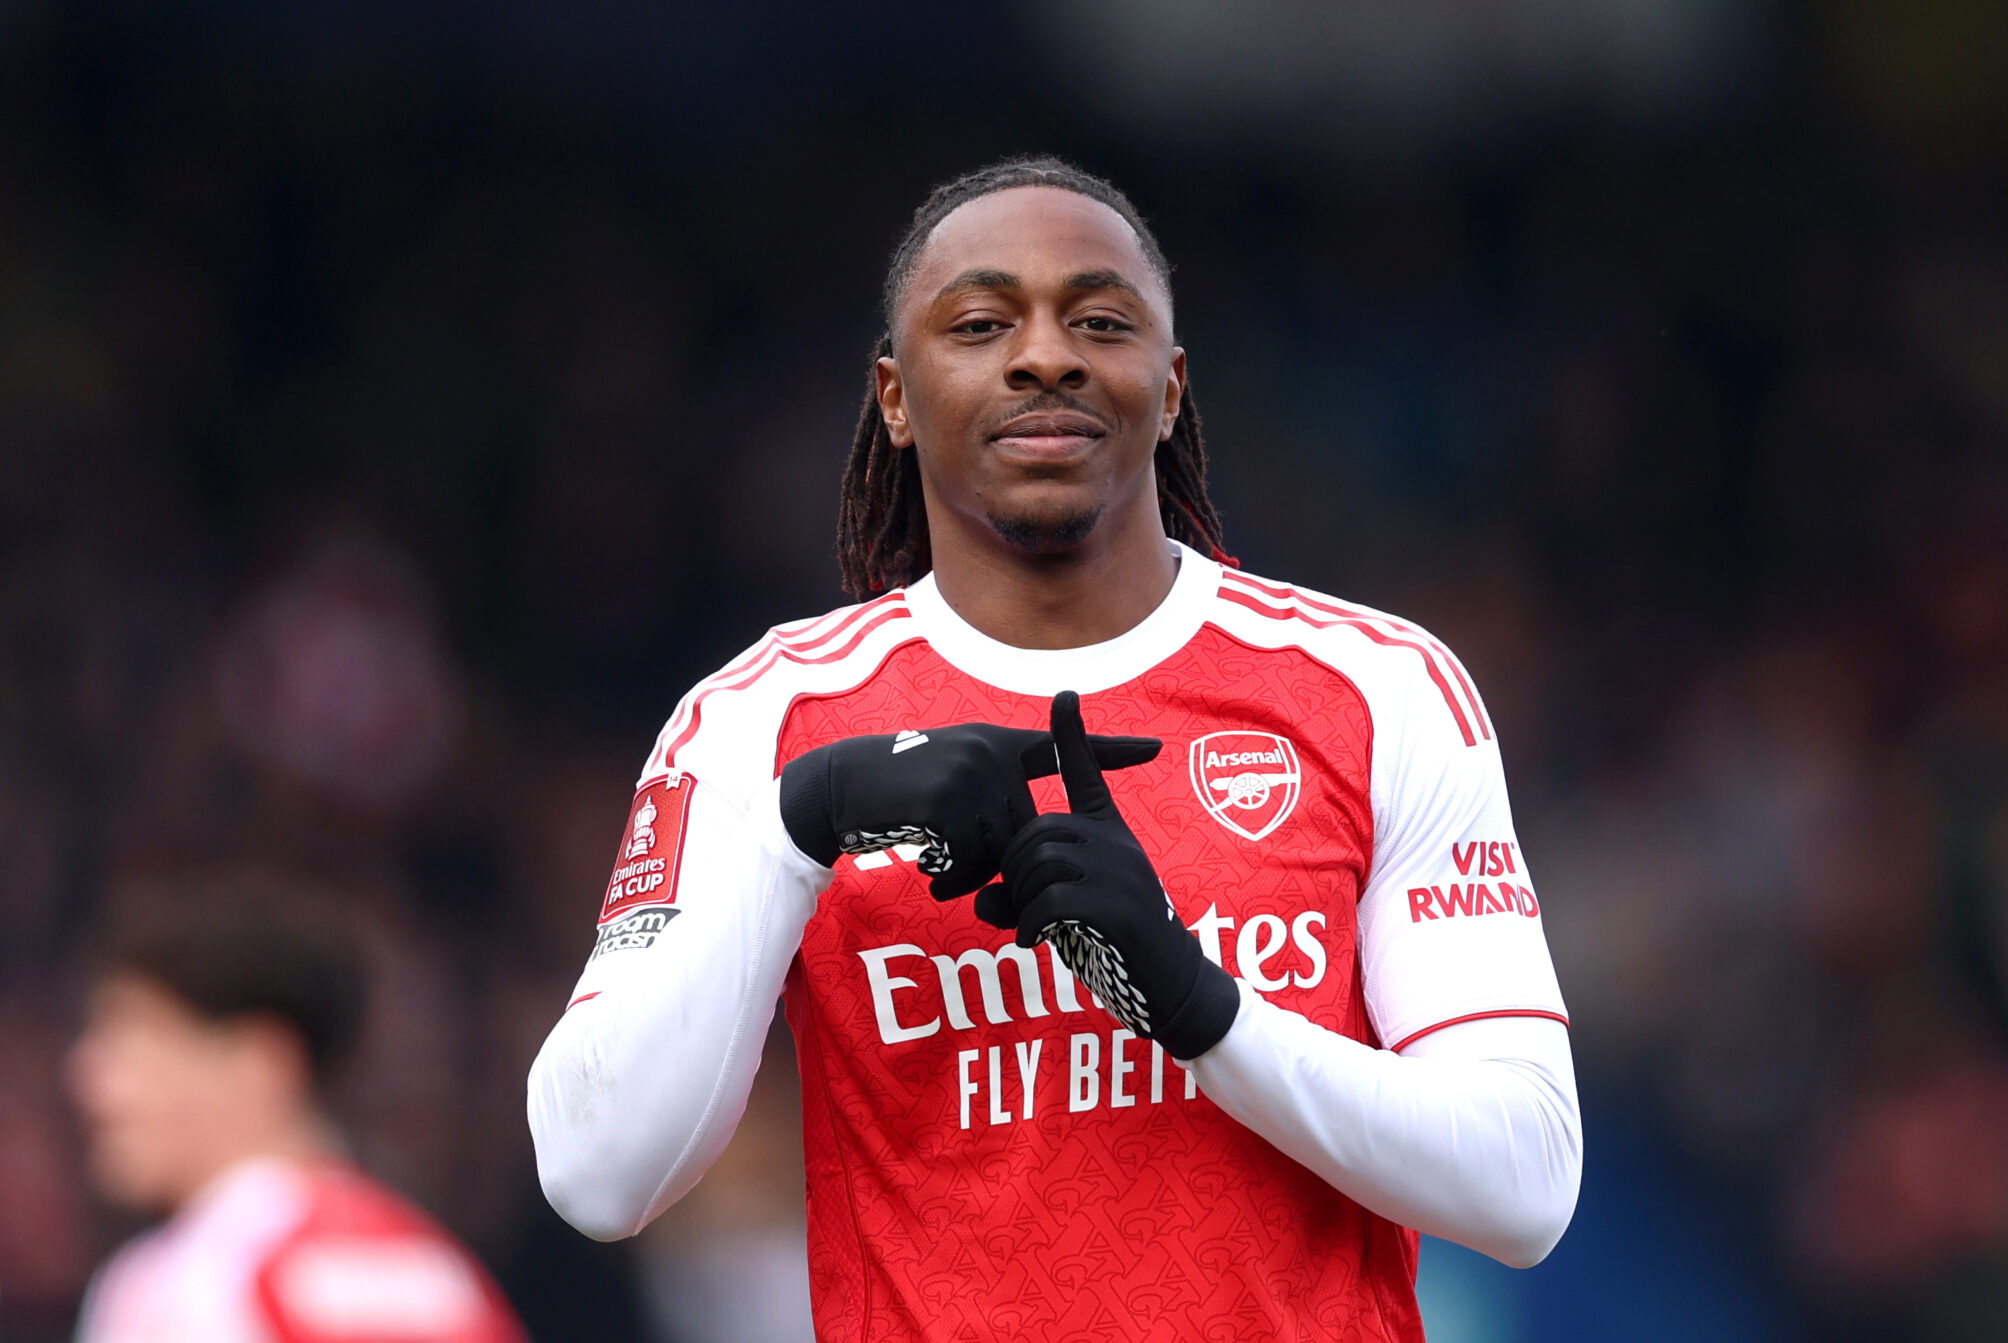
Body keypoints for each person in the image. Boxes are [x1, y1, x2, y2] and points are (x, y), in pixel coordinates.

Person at [528, 157, 1580, 1341]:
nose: (1044, 356)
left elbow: (1524, 1182)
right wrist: (794, 827)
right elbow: (594, 1173)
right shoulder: (760, 721)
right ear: (893, 397)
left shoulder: (1374, 688)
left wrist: (1198, 1003)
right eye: (980, 324)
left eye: (1100, 321)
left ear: (1169, 388)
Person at [68, 872, 526, 1343]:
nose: (92, 1085)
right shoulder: (444, 1274)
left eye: (133, 1046)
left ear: (259, 1063)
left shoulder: (182, 1287)